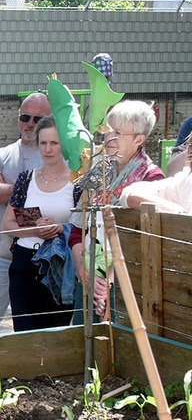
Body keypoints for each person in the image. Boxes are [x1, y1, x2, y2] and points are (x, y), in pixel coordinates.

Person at [69, 100, 165, 321]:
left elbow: (145, 242)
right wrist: (82, 268)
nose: (108, 137)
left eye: (118, 133)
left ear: (139, 139)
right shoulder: (97, 171)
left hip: (126, 286)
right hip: (88, 277)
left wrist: (109, 278)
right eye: (108, 129)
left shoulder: (151, 178)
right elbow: (76, 228)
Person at [0, 93, 52, 336]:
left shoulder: (58, 155)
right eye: (25, 117)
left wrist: (10, 195)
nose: (30, 124)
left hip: (47, 254)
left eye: (37, 119)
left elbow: (56, 206)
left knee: (42, 322)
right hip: (6, 252)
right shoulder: (2, 155)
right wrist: (30, 190)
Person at [2, 116, 77, 331]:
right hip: (24, 264)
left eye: (54, 143)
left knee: (55, 332)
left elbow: (85, 226)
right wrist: (36, 229)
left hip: (59, 264)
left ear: (65, 145)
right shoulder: (26, 179)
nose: (48, 149)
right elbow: (8, 224)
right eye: (43, 143)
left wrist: (60, 228)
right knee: (25, 333)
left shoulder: (77, 182)